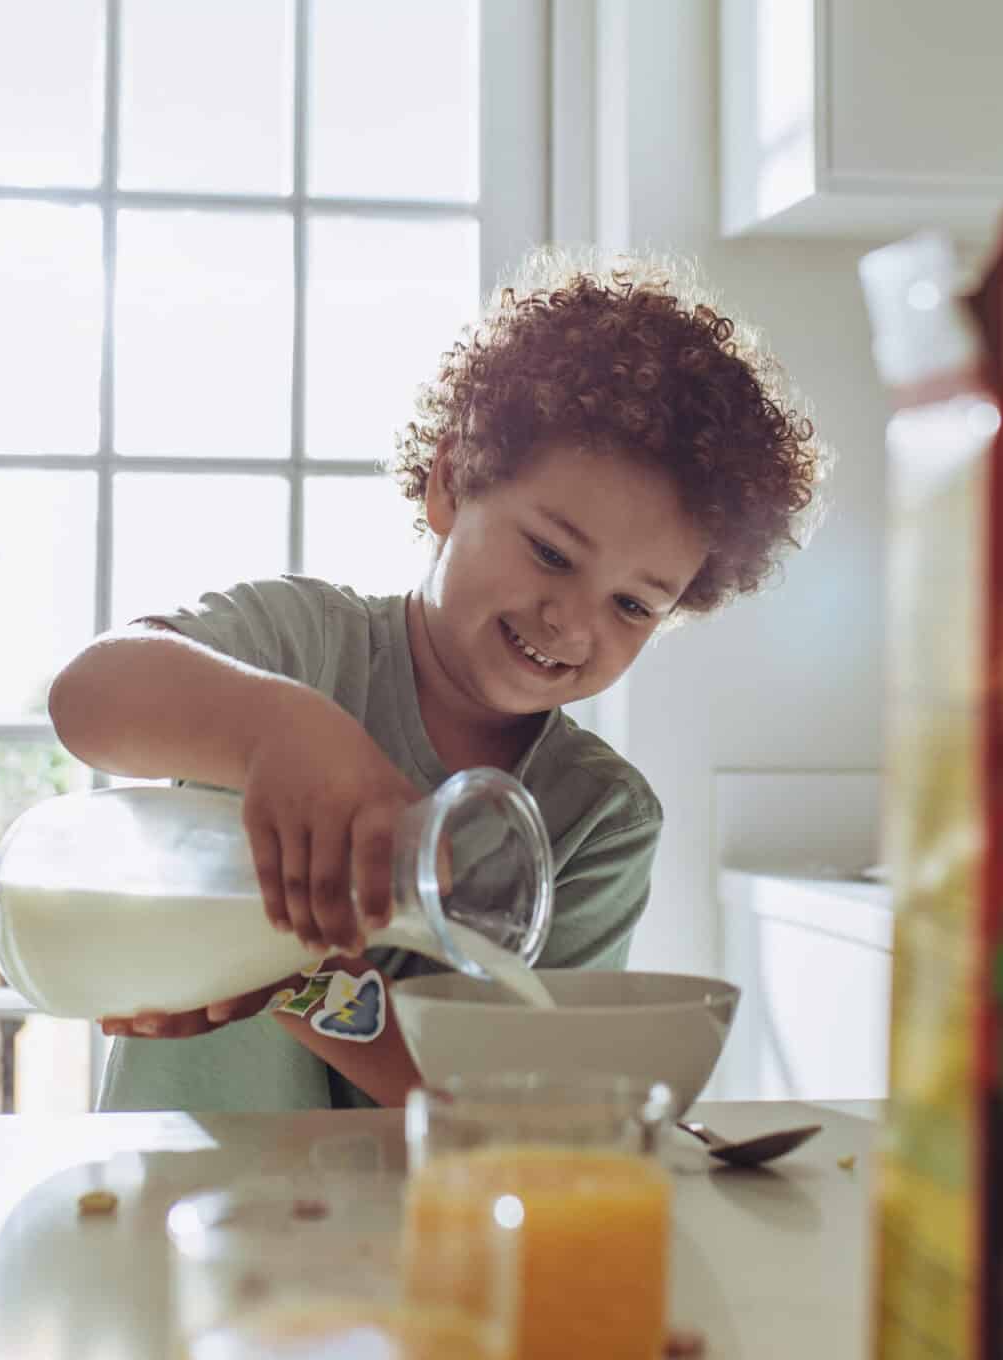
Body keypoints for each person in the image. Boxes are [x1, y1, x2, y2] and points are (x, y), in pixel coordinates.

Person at [50, 251, 826, 1112]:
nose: (573, 622)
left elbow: (514, 1100)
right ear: (451, 484)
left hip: (421, 1232)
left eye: (634, 605)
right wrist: (276, 729)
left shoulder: (598, 817)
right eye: (551, 553)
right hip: (164, 1199)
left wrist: (304, 983)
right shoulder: (298, 648)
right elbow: (87, 697)